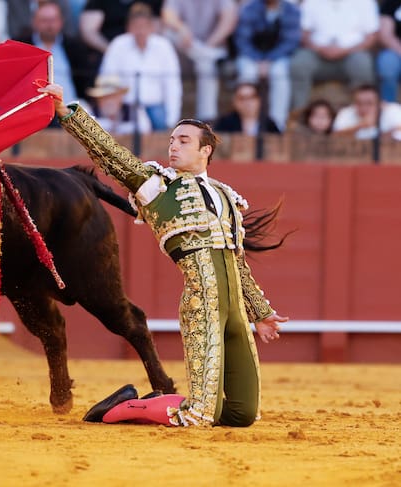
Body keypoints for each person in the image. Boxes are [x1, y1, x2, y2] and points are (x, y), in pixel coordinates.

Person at [38, 81, 288, 427]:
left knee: (243, 414)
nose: (173, 146)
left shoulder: (227, 196)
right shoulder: (156, 186)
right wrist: (67, 112)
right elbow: (110, 153)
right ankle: (119, 409)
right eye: (171, 140)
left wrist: (260, 313)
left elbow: (236, 261)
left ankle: (152, 401)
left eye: (183, 141)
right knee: (199, 415)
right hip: (202, 306)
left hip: (235, 313)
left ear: (206, 151)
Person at [97, 2, 181, 130]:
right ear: (129, 27)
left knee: (161, 128)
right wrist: (111, 110)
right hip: (125, 107)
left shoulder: (164, 47)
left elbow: (172, 85)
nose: (140, 31)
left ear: (151, 27)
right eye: (136, 26)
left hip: (155, 107)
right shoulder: (118, 45)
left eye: (144, 26)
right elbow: (107, 80)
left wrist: (171, 120)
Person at [289, 0, 379, 111]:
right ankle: (298, 113)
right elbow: (303, 33)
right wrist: (320, 48)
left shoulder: (365, 2)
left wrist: (345, 50)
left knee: (362, 64)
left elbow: (372, 37)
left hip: (352, 54)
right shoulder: (311, 2)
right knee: (299, 64)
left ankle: (361, 115)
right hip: (317, 54)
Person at [161, 0, 238, 122]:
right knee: (168, 34)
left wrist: (209, 45)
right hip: (186, 50)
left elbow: (229, 20)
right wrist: (182, 28)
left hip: (211, 47)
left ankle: (205, 119)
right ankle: (170, 119)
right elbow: (167, 16)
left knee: (206, 66)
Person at [234, 0, 301, 131]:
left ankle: (277, 124)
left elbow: (290, 41)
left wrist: (269, 60)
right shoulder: (249, 8)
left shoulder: (291, 10)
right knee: (248, 73)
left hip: (278, 57)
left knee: (279, 74)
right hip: (251, 56)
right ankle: (247, 123)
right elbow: (242, 40)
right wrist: (258, 59)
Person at [17, 0, 90, 105]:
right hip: (33, 105)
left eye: (53, 20)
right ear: (34, 22)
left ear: (61, 22)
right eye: (44, 21)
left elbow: (84, 82)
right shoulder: (22, 46)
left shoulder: (74, 47)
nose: (49, 25)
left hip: (69, 105)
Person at [87, 74, 151, 134]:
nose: (109, 101)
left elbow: (145, 131)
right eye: (105, 97)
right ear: (98, 99)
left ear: (121, 97)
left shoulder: (134, 111)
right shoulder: (89, 112)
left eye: (113, 96)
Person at [332, 84, 401, 140]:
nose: (363, 108)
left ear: (381, 104)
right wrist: (360, 126)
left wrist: (386, 135)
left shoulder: (393, 110)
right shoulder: (346, 113)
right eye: (359, 103)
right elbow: (333, 137)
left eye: (369, 103)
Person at [213, 82, 280, 135]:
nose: (247, 102)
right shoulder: (225, 124)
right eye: (242, 98)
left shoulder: (269, 124)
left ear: (258, 100)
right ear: (235, 102)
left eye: (251, 97)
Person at [376, 0, 401, 103]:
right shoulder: (392, 3)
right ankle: (389, 109)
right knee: (387, 63)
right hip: (396, 51)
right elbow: (386, 36)